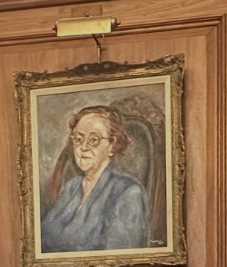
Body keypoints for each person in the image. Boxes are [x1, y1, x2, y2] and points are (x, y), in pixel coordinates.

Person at [40, 105, 150, 253]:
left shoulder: (128, 192)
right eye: (79, 139)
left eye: (93, 139)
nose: (83, 147)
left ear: (112, 145)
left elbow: (121, 258)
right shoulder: (70, 188)